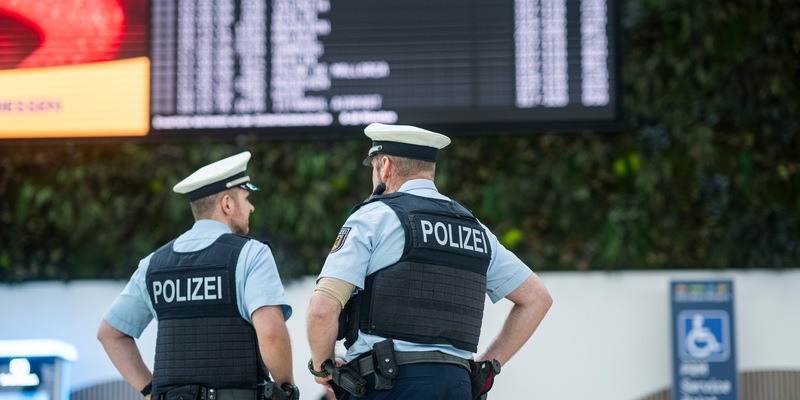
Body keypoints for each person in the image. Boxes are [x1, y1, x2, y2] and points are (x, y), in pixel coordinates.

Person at [306, 123, 553, 399]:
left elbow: (322, 309)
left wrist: (323, 368)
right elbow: (536, 298)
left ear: (385, 166)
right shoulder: (474, 228)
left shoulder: (373, 218)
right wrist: (487, 366)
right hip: (457, 385)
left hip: (389, 385)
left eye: (373, 168)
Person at [97, 151, 298, 400]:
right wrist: (285, 390)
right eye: (246, 199)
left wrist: (151, 392)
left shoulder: (154, 264)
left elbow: (110, 333)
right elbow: (270, 331)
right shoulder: (250, 254)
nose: (251, 207)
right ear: (227, 204)